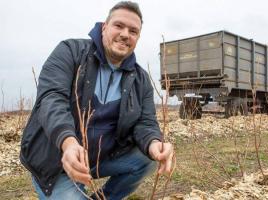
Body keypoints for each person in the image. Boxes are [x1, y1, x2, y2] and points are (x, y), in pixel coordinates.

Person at [20, 1, 173, 199]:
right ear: (104, 27)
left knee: (148, 158)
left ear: (138, 37)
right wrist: (67, 143)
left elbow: (145, 122)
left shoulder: (140, 79)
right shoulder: (70, 52)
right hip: (56, 161)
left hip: (99, 158)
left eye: (133, 31)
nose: (125, 34)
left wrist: (154, 143)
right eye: (118, 26)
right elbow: (51, 99)